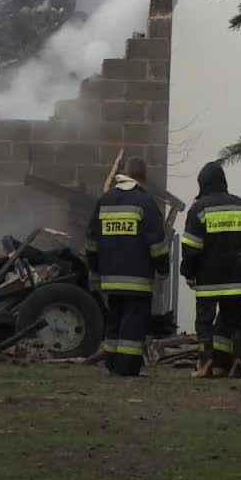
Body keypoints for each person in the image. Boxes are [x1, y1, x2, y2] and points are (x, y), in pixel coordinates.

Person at [85, 157, 170, 376]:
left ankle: (112, 364)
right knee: (132, 326)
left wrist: (95, 268)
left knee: (114, 321)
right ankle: (127, 367)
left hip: (110, 278)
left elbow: (91, 241)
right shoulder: (145, 202)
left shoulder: (105, 201)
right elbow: (157, 243)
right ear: (143, 177)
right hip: (137, 280)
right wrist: (163, 267)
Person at [181, 161, 241, 379]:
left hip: (207, 280)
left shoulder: (199, 209)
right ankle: (237, 362)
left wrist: (188, 272)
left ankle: (205, 363)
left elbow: (191, 247)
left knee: (204, 322)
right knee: (236, 321)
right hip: (236, 279)